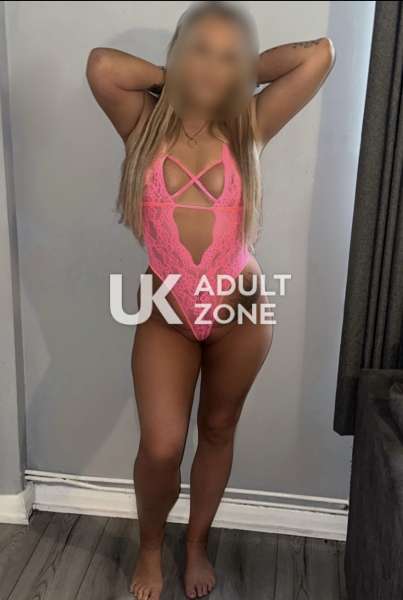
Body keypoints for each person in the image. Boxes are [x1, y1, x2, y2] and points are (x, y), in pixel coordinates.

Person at [87, 2, 335, 598]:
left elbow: (319, 56)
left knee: (219, 429)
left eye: (228, 56)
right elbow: (101, 66)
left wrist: (234, 75)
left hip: (242, 314)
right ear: (177, 53)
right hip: (166, 314)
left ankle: (196, 543)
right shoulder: (142, 123)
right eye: (200, 50)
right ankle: (151, 547)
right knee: (162, 446)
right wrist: (176, 80)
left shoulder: (248, 123)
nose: (212, 65)